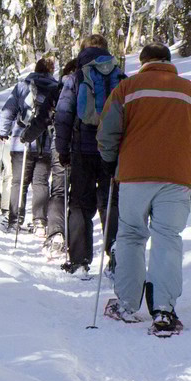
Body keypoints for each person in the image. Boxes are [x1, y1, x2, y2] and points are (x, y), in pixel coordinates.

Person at [96, 42, 191, 336]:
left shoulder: (128, 89)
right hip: (176, 177)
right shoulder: (190, 91)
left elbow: (106, 132)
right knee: (167, 238)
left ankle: (126, 304)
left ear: (143, 62)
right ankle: (164, 310)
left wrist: (112, 160)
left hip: (134, 175)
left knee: (130, 235)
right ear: (168, 61)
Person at [55, 34, 123, 274]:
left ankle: (80, 261)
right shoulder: (120, 75)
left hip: (82, 149)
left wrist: (62, 150)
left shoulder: (75, 77)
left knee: (80, 205)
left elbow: (63, 115)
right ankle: (115, 257)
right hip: (112, 151)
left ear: (82, 51)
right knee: (110, 202)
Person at [0, 57, 60, 232]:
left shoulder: (22, 86)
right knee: (41, 182)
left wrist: (4, 131)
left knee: (19, 182)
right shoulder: (56, 89)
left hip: (21, 141)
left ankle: (15, 220)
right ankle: (40, 221)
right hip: (46, 141)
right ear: (51, 71)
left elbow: (8, 111)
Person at [43, 58, 76, 257]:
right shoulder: (95, 82)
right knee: (80, 195)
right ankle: (78, 243)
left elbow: (44, 116)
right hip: (90, 147)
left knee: (59, 190)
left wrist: (28, 135)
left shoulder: (60, 88)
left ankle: (56, 233)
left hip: (61, 144)